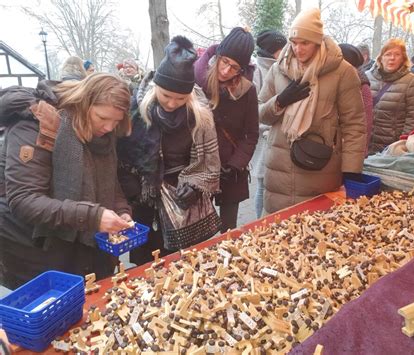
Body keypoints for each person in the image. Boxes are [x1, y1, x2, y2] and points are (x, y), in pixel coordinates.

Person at [0, 73, 132, 289]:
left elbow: (110, 183)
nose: (109, 127)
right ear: (84, 103)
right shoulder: (35, 126)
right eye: (102, 118)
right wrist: (92, 216)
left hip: (82, 245)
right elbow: (24, 199)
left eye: (116, 121)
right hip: (33, 244)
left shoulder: (102, 136)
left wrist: (121, 210)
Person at [117, 36, 221, 264]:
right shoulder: (136, 110)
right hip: (146, 201)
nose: (172, 103)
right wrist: (133, 189)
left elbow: (209, 163)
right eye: (166, 96)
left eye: (180, 98)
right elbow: (122, 157)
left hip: (184, 199)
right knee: (149, 264)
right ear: (156, 88)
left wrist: (195, 185)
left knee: (187, 262)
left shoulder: (199, 116)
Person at [259, 8, 367, 214]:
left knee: (312, 233)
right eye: (294, 42)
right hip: (279, 169)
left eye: (305, 43)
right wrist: (280, 101)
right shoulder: (277, 69)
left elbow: (354, 124)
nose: (298, 49)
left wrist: (351, 171)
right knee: (274, 234)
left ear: (317, 41)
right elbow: (260, 113)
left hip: (319, 169)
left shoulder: (342, 72)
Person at [194, 27, 259, 231]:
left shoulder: (247, 90)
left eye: (234, 68)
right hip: (199, 167)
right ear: (218, 56)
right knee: (197, 230)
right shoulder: (197, 80)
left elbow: (251, 134)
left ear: (242, 69)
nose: (225, 71)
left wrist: (235, 165)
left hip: (231, 170)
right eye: (225, 62)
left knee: (228, 231)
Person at [366, 38, 414, 154]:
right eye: (388, 54)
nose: (392, 58)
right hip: (365, 143)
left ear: (403, 59)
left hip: (391, 146)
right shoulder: (367, 77)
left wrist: (402, 145)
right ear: (381, 58)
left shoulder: (411, 81)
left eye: (397, 54)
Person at [253, 30, 287, 218]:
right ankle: (259, 222)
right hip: (264, 136)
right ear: (271, 50)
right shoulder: (258, 71)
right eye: (281, 49)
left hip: (276, 133)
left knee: (273, 182)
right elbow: (254, 110)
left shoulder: (282, 67)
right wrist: (266, 129)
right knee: (262, 182)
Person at [339, 43, 373, 154]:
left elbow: (365, 123)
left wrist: (360, 152)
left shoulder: (362, 85)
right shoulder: (335, 80)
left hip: (349, 149)